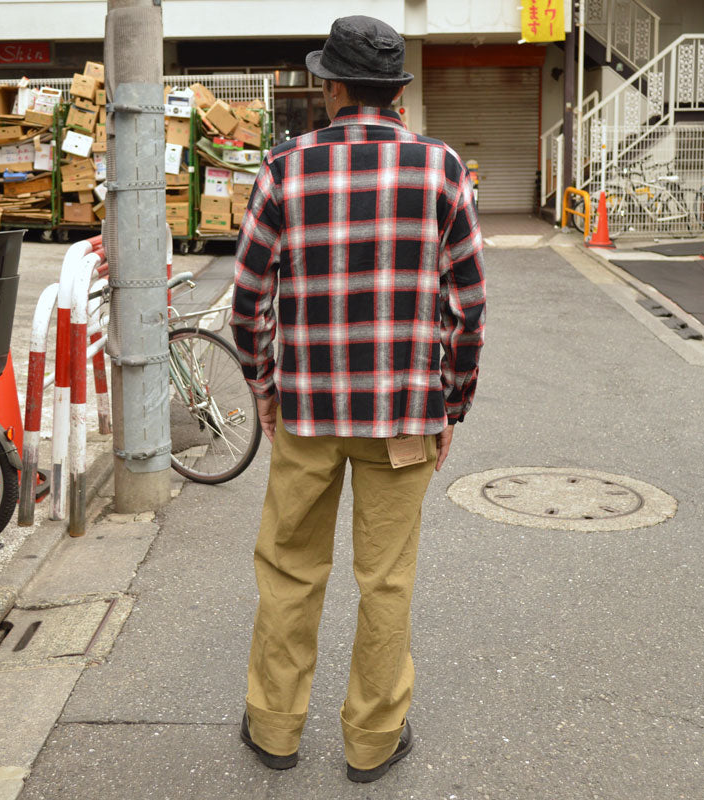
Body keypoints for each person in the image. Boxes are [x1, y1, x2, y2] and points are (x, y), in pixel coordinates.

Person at [231, 14, 486, 783]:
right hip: (404, 415)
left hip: (308, 412)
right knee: (387, 580)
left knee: (289, 570)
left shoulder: (285, 167)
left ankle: (275, 729)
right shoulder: (441, 168)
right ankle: (372, 743)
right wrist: (453, 405)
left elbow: (249, 303)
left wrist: (267, 391)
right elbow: (467, 306)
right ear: (397, 91)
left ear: (332, 86)